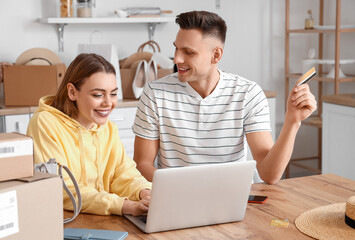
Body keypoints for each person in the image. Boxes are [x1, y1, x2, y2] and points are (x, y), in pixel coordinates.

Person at [132, 11, 317, 185]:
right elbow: (142, 165)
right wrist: (182, 191)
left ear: (216, 55)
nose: (177, 59)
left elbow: (269, 175)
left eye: (188, 52)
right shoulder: (155, 93)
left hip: (233, 201)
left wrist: (292, 122)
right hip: (175, 199)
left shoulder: (247, 94)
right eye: (176, 49)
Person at [27, 53, 151, 216]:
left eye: (113, 94)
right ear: (72, 92)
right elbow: (62, 188)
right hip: (63, 220)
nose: (108, 103)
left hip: (102, 218)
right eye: (98, 95)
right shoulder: (44, 123)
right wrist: (123, 206)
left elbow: (123, 173)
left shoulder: (108, 128)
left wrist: (145, 191)